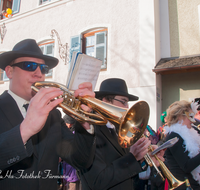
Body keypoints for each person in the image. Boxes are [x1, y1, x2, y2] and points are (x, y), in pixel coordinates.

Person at [0, 39, 96, 190]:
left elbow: (81, 160)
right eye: (29, 66)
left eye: (43, 68)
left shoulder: (53, 115)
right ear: (9, 71)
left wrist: (84, 122)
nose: (38, 73)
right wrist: (25, 129)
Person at [77, 78, 165, 190]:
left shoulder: (119, 129)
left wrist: (145, 160)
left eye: (127, 102)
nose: (127, 107)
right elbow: (97, 181)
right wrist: (133, 157)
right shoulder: (91, 130)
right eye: (123, 101)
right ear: (106, 101)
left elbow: (129, 172)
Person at [164, 100, 200, 189]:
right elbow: (186, 166)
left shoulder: (193, 132)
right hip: (181, 186)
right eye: (190, 116)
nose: (193, 121)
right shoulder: (173, 136)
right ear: (180, 116)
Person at [62, 114, 81, 190]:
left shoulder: (72, 136)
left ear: (69, 124)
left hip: (72, 175)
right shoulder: (73, 134)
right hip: (69, 174)